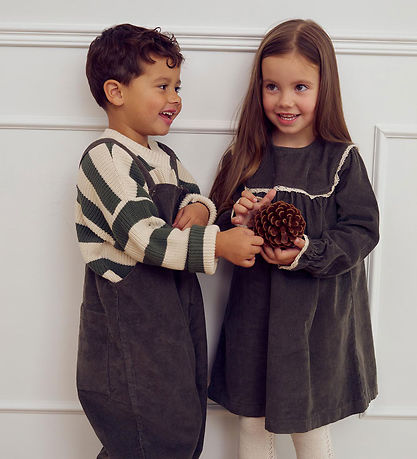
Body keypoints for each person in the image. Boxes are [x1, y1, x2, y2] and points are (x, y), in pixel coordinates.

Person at [75, 24, 264, 459]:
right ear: (116, 92)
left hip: (174, 308)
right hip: (131, 317)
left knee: (181, 412)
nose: (175, 98)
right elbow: (144, 237)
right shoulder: (105, 158)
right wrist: (218, 244)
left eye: (177, 87)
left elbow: (193, 194)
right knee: (144, 425)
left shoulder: (164, 158)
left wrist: (200, 209)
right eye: (162, 86)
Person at [208, 19, 379, 459]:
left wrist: (307, 251)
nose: (285, 101)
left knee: (308, 423)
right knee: (252, 421)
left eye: (300, 87)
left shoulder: (340, 160)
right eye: (272, 87)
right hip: (255, 318)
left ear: (325, 88)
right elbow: (218, 227)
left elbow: (362, 230)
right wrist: (237, 219)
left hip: (316, 323)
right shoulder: (244, 157)